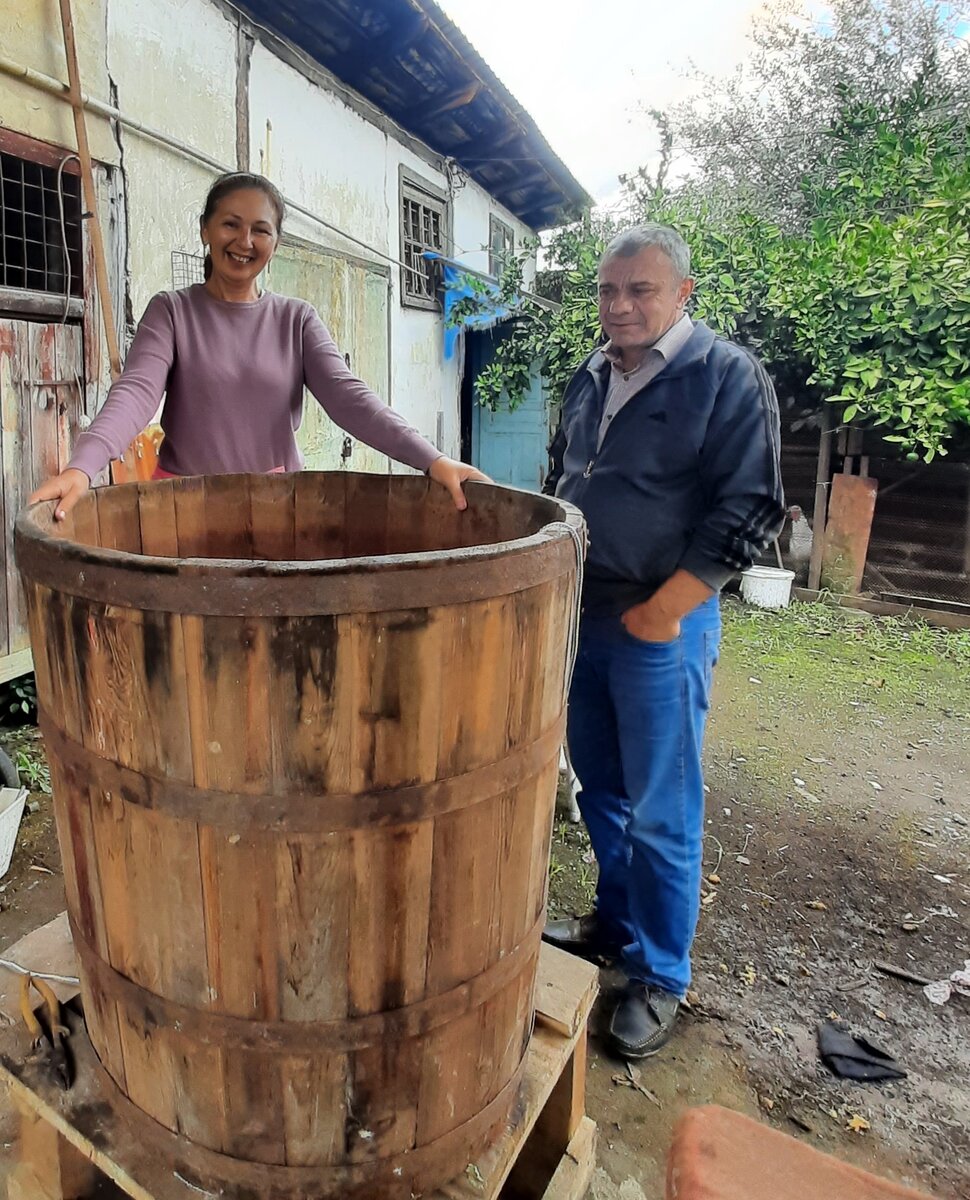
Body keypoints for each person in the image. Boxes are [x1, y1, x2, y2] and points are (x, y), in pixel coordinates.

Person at [542, 224, 784, 1060]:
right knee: (600, 792)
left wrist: (669, 608)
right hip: (583, 615)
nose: (620, 306)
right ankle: (614, 924)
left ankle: (659, 975)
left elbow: (751, 505)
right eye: (609, 290)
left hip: (661, 622)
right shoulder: (589, 373)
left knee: (663, 808)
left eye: (640, 290)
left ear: (683, 294)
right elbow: (563, 481)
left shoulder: (726, 375)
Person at [31, 171, 485, 518]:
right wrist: (82, 466)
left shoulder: (296, 319)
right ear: (206, 230)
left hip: (279, 511)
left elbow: (351, 400)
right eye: (230, 224)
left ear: (276, 241)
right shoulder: (171, 312)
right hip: (183, 509)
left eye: (260, 230)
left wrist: (432, 460)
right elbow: (135, 393)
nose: (244, 242)